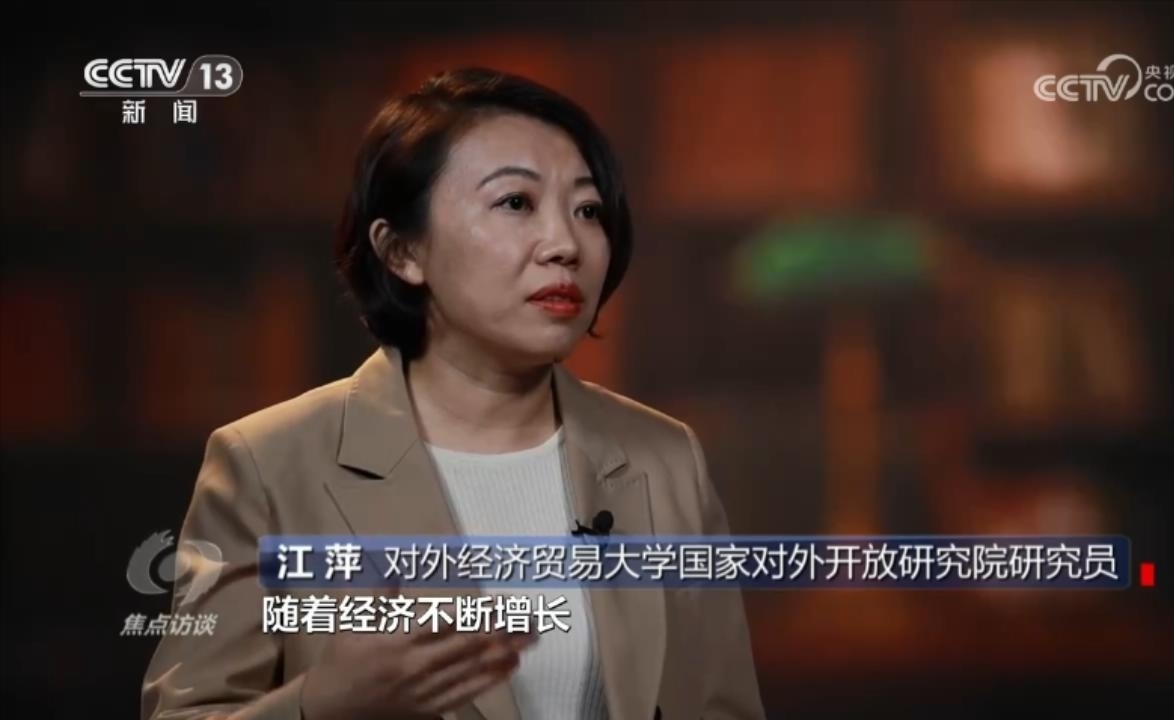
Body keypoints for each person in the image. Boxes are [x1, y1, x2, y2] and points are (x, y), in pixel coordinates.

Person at [141, 67, 766, 720]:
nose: (566, 245)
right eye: (516, 203)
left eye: (588, 210)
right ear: (402, 251)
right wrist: (323, 703)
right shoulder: (266, 463)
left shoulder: (663, 456)